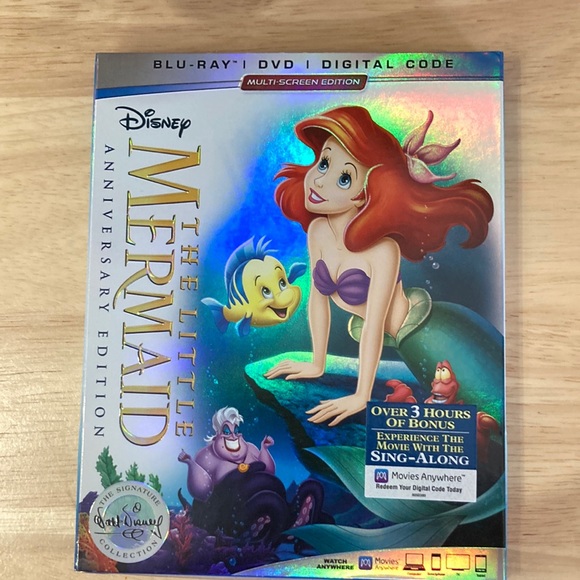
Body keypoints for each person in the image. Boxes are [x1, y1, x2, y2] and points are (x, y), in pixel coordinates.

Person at [265, 106, 500, 426]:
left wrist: (361, 396)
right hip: (408, 345)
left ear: (365, 195)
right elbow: (318, 301)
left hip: (436, 337)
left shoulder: (382, 251)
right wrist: (316, 364)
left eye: (344, 178)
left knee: (492, 415)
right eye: (324, 163)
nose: (319, 180)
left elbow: (374, 324)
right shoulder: (319, 231)